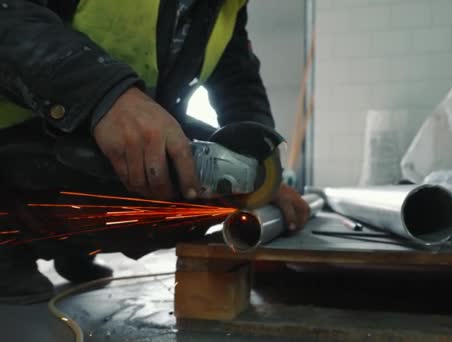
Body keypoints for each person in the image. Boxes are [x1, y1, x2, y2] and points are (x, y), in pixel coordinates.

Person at [0, 0, 311, 304]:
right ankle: (10, 241)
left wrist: (260, 172)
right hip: (22, 124)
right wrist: (103, 95)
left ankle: (73, 244)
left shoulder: (228, 5)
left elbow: (238, 81)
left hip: (85, 124)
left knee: (198, 180)